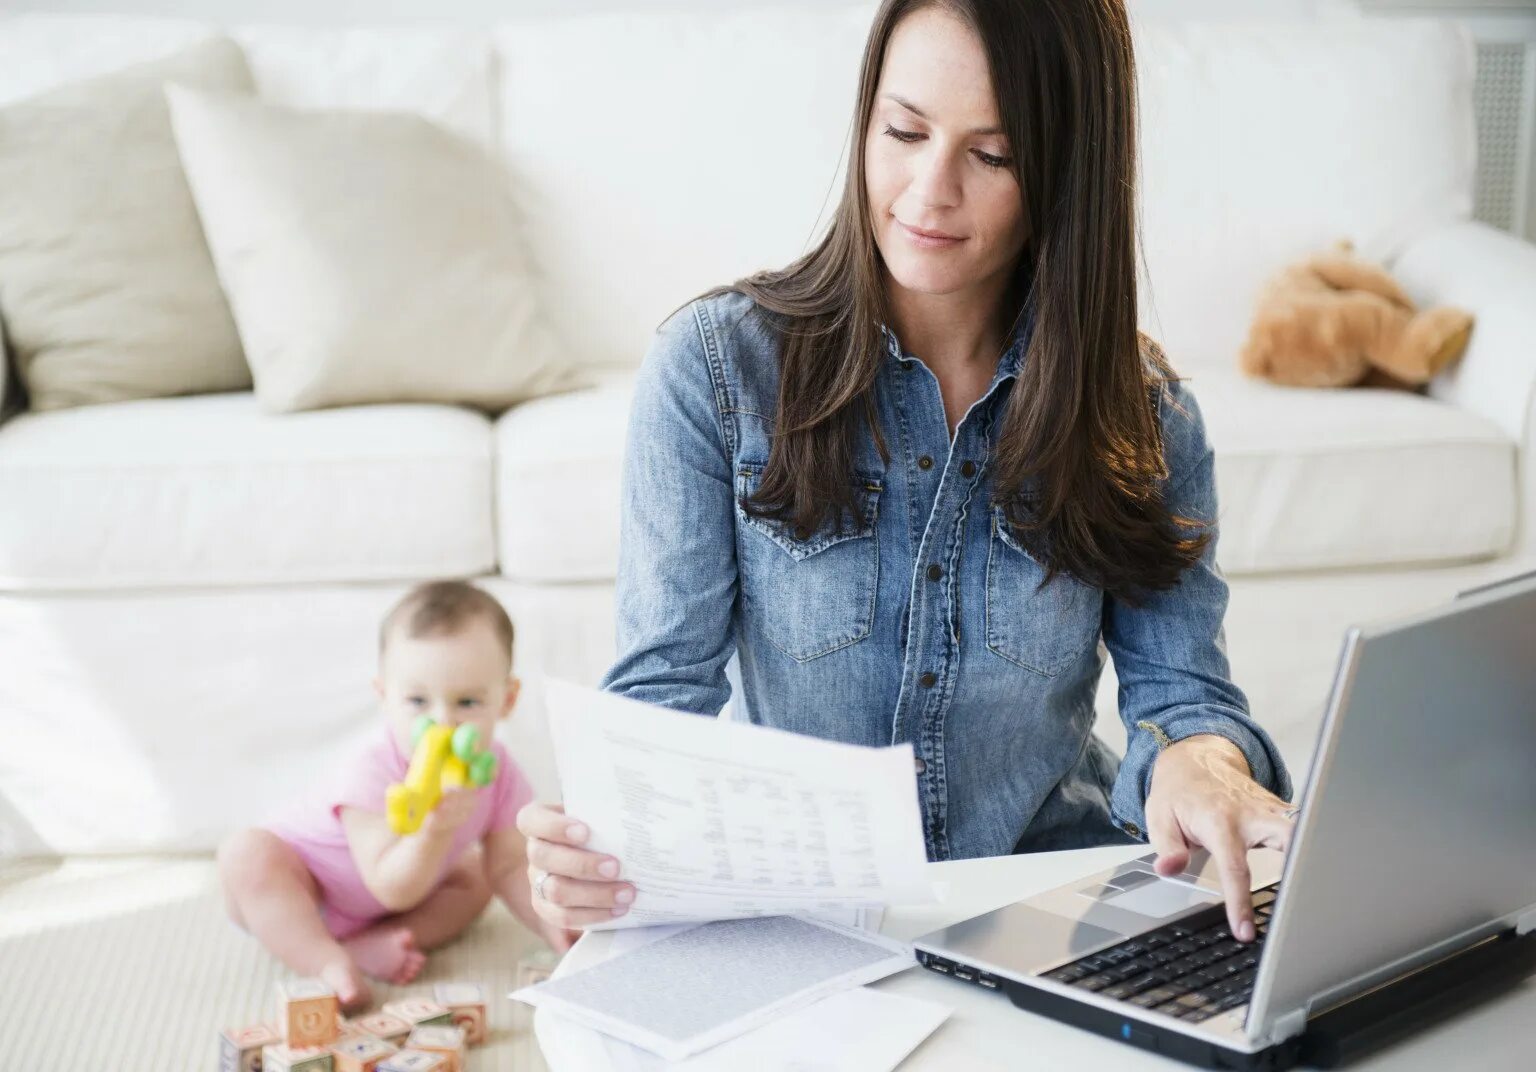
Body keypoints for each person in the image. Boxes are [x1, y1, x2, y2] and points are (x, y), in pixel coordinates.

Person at [519, 0, 1294, 955]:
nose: (930, 191)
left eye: (993, 155)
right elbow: (660, 697)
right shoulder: (715, 368)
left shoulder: (1146, 414)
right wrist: (603, 853)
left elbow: (1185, 699)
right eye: (904, 131)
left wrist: (1200, 763)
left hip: (1050, 897)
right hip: (800, 919)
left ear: (1065, 173)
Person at [218, 580, 573, 1010]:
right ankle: (330, 961)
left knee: (478, 879)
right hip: (303, 892)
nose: (443, 722)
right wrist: (435, 830)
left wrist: (553, 924)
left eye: (467, 702)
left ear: (506, 699)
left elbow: (512, 866)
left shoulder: (498, 772)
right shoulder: (371, 769)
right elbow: (391, 888)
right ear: (384, 697)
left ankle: (371, 942)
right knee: (246, 853)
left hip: (391, 905)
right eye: (418, 701)